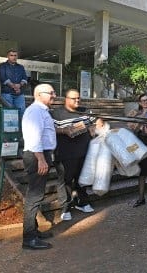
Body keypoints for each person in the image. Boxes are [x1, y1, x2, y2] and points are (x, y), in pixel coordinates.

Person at [21, 83, 57, 250]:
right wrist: (41, 160)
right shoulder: (35, 111)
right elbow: (34, 137)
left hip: (40, 155)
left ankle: (33, 231)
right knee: (34, 197)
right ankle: (29, 238)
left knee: (36, 196)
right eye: (51, 93)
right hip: (37, 157)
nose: (54, 95)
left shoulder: (42, 111)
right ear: (39, 94)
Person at [52, 89, 96, 221]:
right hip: (65, 153)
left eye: (78, 98)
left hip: (84, 151)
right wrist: (64, 130)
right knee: (65, 180)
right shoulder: (56, 113)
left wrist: (95, 126)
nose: (77, 101)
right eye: (73, 99)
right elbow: (50, 129)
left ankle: (82, 202)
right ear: (66, 99)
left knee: (82, 179)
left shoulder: (85, 111)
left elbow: (96, 122)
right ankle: (65, 207)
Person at [0, 49, 28, 116]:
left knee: (21, 112)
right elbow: (3, 78)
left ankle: (20, 126)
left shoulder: (21, 67)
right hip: (7, 93)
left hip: (19, 94)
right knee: (9, 113)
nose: (14, 57)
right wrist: (14, 87)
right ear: (8, 56)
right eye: (11, 55)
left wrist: (19, 85)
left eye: (15, 55)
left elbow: (25, 78)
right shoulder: (2, 66)